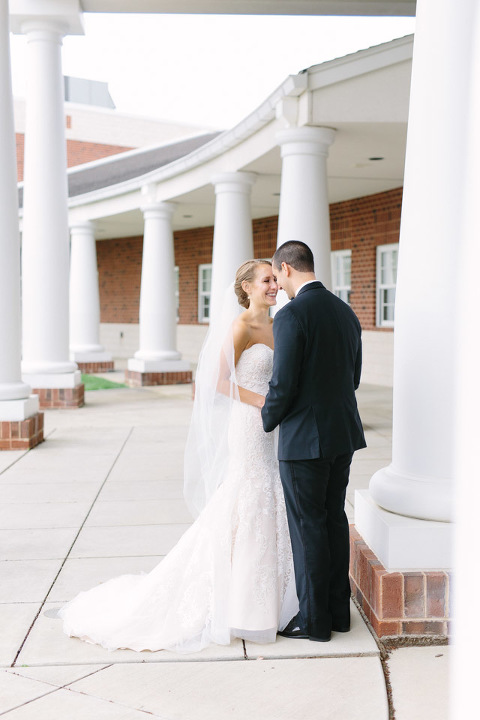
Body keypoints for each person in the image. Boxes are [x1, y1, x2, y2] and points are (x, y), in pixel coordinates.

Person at [58, 259, 298, 653]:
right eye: (267, 280)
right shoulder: (240, 326)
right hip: (249, 424)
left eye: (276, 279)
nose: (275, 285)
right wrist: (266, 403)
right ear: (248, 288)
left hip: (274, 428)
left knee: (270, 495)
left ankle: (274, 594)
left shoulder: (279, 325)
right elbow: (219, 381)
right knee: (249, 496)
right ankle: (241, 604)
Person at [261, 240, 366, 643]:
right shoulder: (346, 312)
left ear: (286, 268)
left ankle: (314, 622)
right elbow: (352, 377)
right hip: (342, 435)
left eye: (278, 276)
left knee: (307, 530)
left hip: (304, 440)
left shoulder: (291, 315)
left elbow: (283, 383)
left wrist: (267, 420)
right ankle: (339, 614)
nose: (279, 287)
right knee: (334, 521)